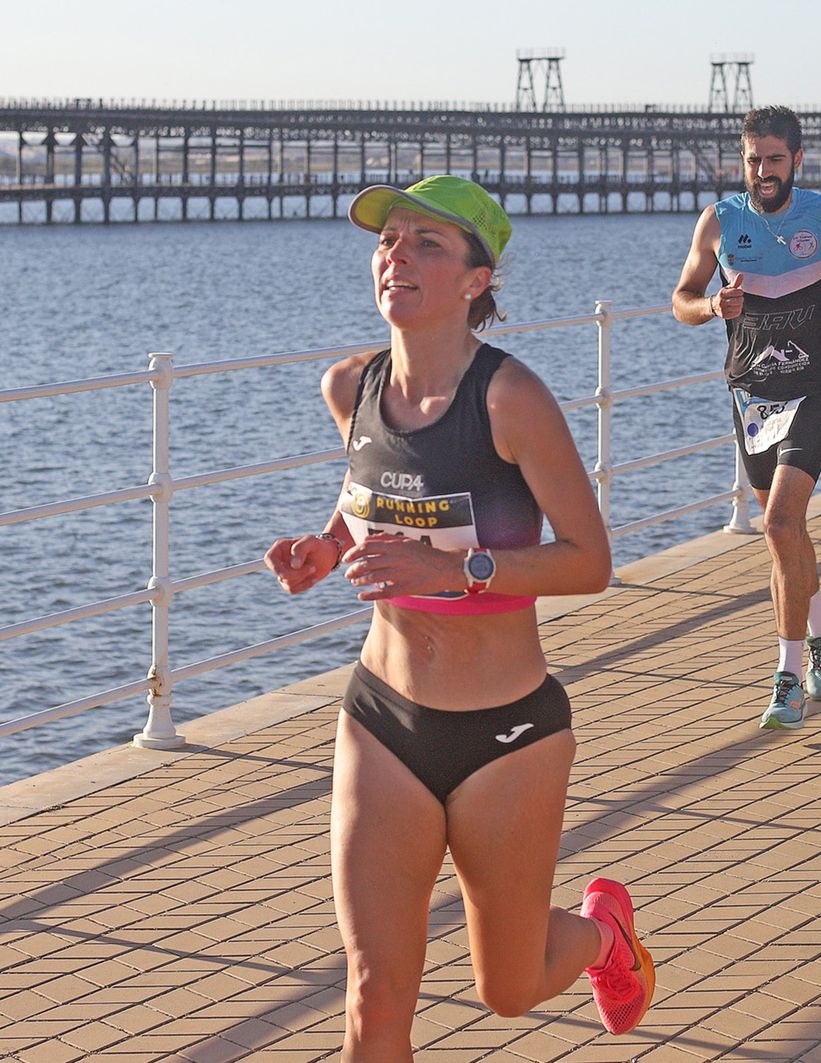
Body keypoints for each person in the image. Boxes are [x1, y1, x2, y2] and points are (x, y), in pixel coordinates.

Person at [263, 175, 652, 1057]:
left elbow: (589, 561)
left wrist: (458, 567)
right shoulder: (350, 386)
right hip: (383, 719)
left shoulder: (511, 401)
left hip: (506, 731)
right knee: (375, 987)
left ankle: (602, 934)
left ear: (478, 280)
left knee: (508, 987)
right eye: (388, 239)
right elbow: (370, 492)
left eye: (426, 244)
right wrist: (326, 546)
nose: (396, 254)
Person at [671, 105, 821, 729]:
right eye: (754, 159)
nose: (764, 171)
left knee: (780, 525)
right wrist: (712, 305)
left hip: (813, 386)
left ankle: (787, 676)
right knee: (783, 532)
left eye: (775, 160)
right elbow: (680, 301)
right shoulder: (719, 222)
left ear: (797, 161)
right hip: (752, 396)